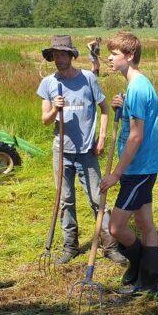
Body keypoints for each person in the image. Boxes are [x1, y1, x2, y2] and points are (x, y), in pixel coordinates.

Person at [37, 35, 124, 264]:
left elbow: (104, 108)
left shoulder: (87, 79)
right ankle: (70, 247)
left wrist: (102, 137)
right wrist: (55, 110)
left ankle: (110, 246)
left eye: (62, 54)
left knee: (98, 199)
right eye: (55, 55)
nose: (58, 59)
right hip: (62, 151)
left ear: (71, 55)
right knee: (65, 199)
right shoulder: (49, 83)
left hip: (87, 151)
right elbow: (45, 120)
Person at [100, 32, 158, 296]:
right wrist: (122, 106)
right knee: (146, 224)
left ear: (130, 56)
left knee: (116, 227)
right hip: (142, 167)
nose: (109, 59)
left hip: (138, 170)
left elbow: (136, 136)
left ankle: (139, 267)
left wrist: (116, 174)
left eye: (114, 54)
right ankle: (146, 281)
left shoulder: (137, 88)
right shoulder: (137, 86)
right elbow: (135, 118)